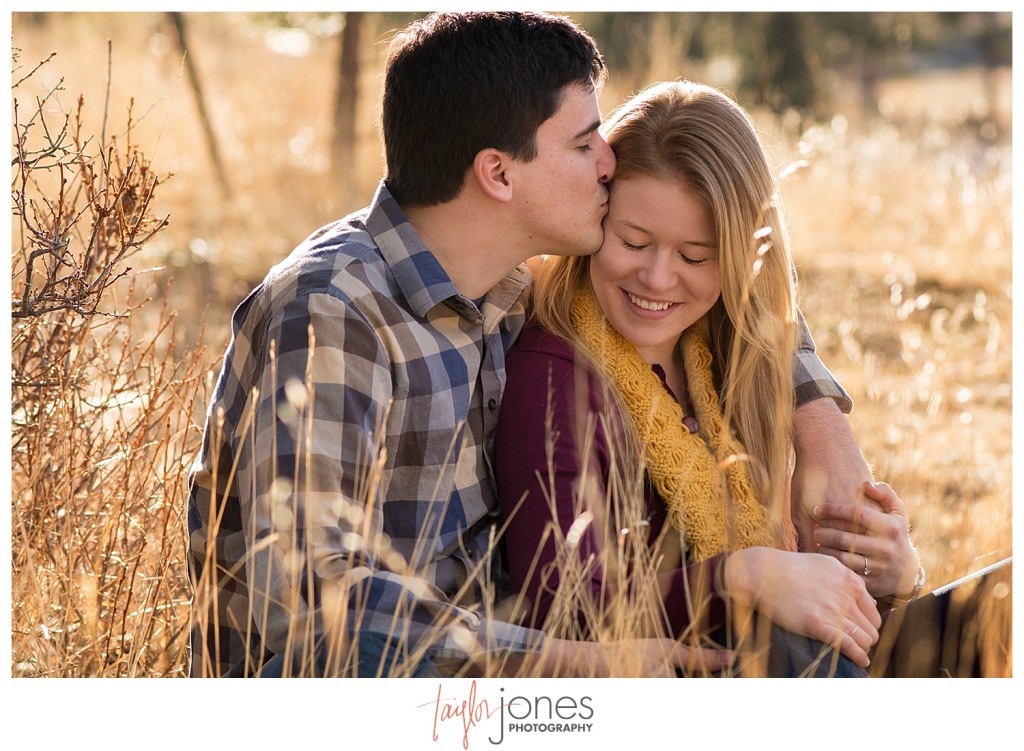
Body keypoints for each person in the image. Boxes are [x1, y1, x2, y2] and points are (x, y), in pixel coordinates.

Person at [187, 12, 878, 679]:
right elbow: (315, 605)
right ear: (499, 174)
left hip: (498, 670)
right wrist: (578, 663)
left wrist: (822, 425)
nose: (608, 161)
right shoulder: (333, 311)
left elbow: (734, 280)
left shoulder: (507, 282)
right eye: (583, 144)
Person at [494, 80, 924, 677]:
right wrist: (740, 577)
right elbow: (560, 604)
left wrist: (888, 574)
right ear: (596, 216)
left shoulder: (734, 356)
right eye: (632, 241)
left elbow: (819, 584)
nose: (658, 278)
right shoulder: (554, 377)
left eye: (696, 256)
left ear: (742, 255)